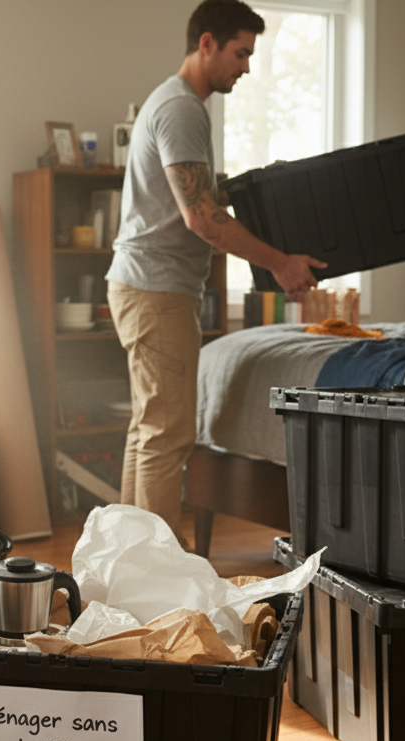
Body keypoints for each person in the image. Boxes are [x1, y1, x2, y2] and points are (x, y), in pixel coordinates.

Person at [105, 0, 327, 545]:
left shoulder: (176, 104)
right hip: (156, 290)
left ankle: (130, 559)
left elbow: (198, 197)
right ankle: (157, 577)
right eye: (241, 52)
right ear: (207, 43)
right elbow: (201, 217)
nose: (247, 66)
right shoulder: (182, 108)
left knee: (149, 430)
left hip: (145, 285)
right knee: (167, 434)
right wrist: (280, 262)